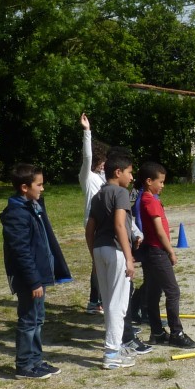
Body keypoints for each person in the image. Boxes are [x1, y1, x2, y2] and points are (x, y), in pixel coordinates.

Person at [0, 163, 72, 379]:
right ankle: (24, 365)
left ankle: (36, 360)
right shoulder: (16, 214)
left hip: (38, 275)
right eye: (39, 185)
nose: (42, 189)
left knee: (38, 319)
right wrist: (33, 281)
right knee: (29, 320)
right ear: (24, 187)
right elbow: (21, 251)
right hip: (28, 278)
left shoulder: (32, 207)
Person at [86, 150, 141, 369]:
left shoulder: (98, 195)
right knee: (118, 305)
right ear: (117, 172)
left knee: (109, 304)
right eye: (129, 173)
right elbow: (120, 225)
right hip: (116, 251)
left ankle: (114, 349)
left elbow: (89, 230)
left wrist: (94, 257)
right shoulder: (120, 193)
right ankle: (111, 354)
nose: (131, 178)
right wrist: (129, 258)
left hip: (100, 250)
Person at [137, 162, 195, 349]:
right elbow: (159, 231)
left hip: (149, 251)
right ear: (149, 181)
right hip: (157, 251)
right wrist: (170, 251)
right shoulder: (150, 201)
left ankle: (157, 332)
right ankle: (176, 333)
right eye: (160, 182)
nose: (163, 185)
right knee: (173, 292)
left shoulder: (143, 199)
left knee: (154, 293)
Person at [79, 113, 110, 315]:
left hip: (105, 221)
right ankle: (94, 301)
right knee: (98, 261)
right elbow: (87, 156)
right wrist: (87, 132)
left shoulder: (103, 177)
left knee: (102, 261)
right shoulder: (87, 176)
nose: (104, 164)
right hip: (93, 222)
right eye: (102, 161)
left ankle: (98, 299)